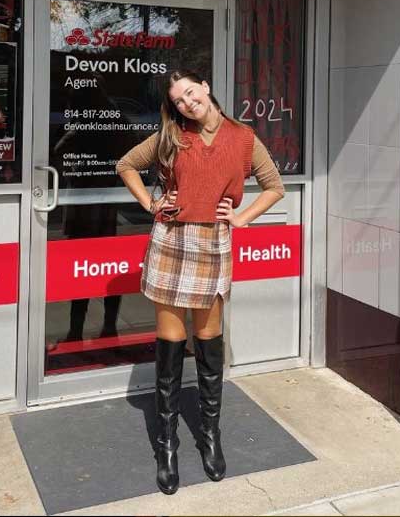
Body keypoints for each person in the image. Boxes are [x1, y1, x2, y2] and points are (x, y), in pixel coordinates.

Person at [116, 69, 284, 495]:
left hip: (214, 242)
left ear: (206, 88)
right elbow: (127, 165)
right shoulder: (172, 136)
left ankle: (210, 436)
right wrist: (152, 202)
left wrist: (242, 218)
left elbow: (274, 186)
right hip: (171, 240)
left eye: (191, 93)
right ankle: (167, 444)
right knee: (171, 343)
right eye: (179, 101)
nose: (187, 103)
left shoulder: (243, 137)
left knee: (209, 338)